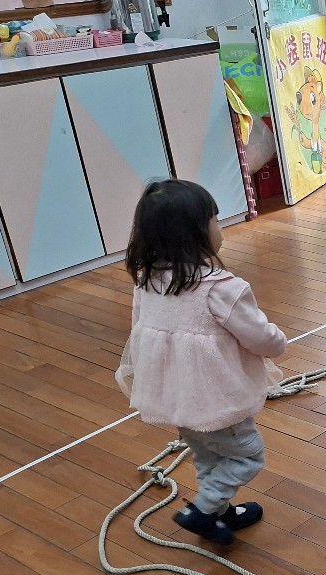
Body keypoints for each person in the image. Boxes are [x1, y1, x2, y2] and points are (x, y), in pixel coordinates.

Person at [117, 179, 287, 546]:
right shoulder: (221, 288)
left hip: (177, 397)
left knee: (208, 454)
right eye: (214, 220)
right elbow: (260, 337)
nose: (219, 227)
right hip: (217, 399)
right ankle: (203, 510)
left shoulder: (146, 281)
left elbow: (141, 329)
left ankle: (218, 513)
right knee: (246, 456)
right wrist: (278, 340)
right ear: (195, 233)